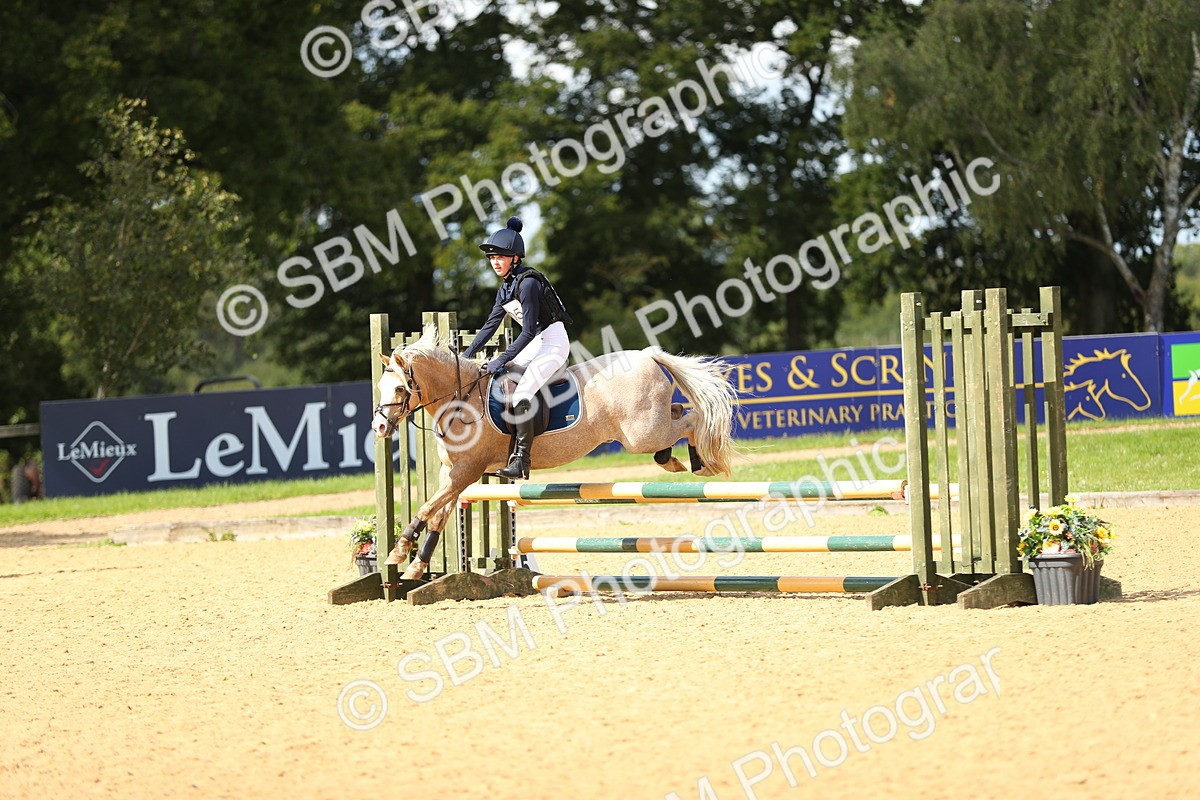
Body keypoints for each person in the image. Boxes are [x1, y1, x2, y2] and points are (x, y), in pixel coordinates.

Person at [462, 216, 573, 479]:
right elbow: (489, 327)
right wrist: (465, 356)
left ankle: (522, 460)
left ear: (515, 258)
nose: (495, 262)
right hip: (535, 342)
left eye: (500, 257)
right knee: (503, 378)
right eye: (491, 258)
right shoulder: (505, 289)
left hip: (553, 341)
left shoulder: (528, 283)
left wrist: (501, 358)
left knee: (522, 391)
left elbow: (528, 331)